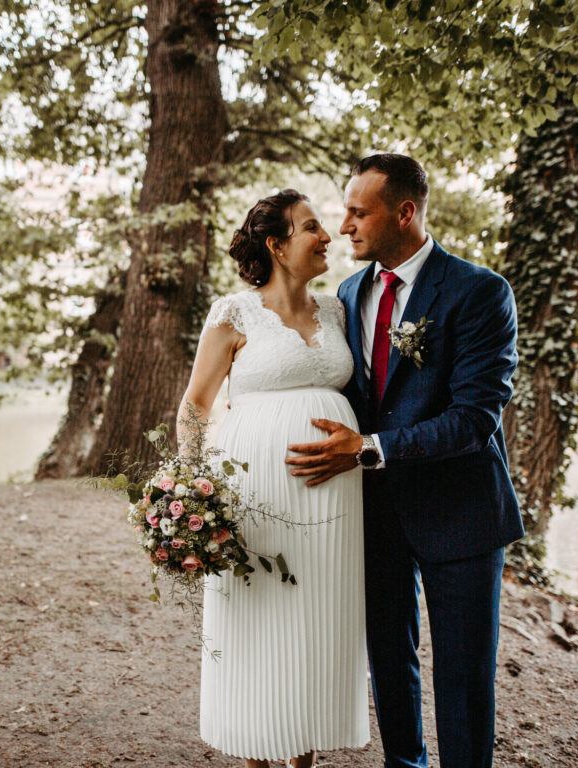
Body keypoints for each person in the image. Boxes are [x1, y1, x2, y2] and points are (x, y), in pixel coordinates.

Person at [285, 154, 524, 768]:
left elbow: (474, 419)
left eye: (358, 212)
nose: (344, 227)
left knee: (464, 676)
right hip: (375, 514)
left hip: (461, 511)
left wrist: (366, 450)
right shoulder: (348, 292)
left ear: (405, 212)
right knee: (389, 660)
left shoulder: (480, 291)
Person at [177, 189, 370, 768]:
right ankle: (256, 754)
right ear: (277, 244)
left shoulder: (337, 310)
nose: (328, 235)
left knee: (317, 621)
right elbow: (196, 405)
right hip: (253, 495)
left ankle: (303, 754)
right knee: (257, 617)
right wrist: (190, 492)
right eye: (312, 227)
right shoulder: (234, 313)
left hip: (333, 499)